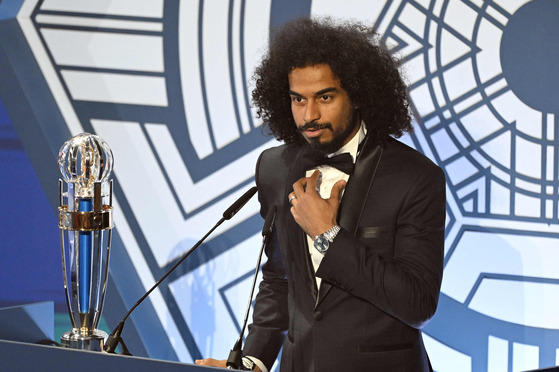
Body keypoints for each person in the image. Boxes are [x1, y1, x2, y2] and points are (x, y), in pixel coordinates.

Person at [196, 17, 445, 371]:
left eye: (324, 97)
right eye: (298, 99)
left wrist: (328, 236)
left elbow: (418, 304)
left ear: (358, 94)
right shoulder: (274, 168)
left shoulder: (416, 178)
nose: (309, 115)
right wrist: (253, 359)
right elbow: (281, 278)